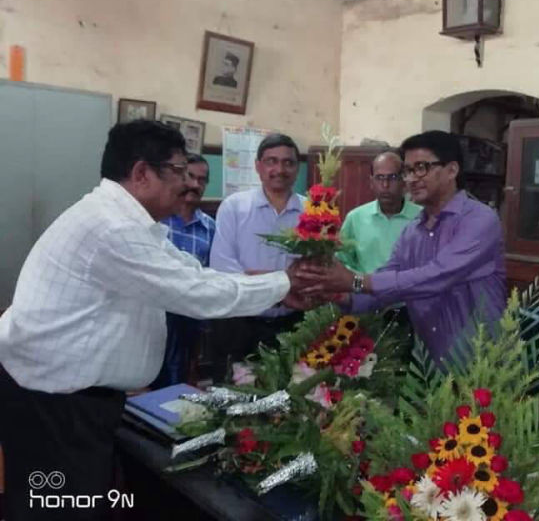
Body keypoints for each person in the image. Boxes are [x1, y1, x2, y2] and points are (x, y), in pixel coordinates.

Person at [0, 120, 308, 521]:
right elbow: (195, 292)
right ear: (142, 173)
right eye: (179, 171)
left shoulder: (131, 222)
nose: (188, 183)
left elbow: (194, 273)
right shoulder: (111, 228)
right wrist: (285, 283)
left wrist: (281, 286)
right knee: (58, 509)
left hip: (72, 397)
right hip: (54, 404)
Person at [300, 130, 506, 362]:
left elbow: (437, 276)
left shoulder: (479, 219)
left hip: (482, 362)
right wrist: (340, 294)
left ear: (451, 170)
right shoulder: (413, 229)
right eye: (408, 171)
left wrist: (355, 280)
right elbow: (388, 279)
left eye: (421, 168)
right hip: (430, 363)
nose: (411, 179)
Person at [209, 133, 306, 369]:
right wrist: (282, 285)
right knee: (234, 387)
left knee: (294, 386)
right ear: (258, 166)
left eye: (288, 162)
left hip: (294, 323)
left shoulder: (312, 211)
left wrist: (257, 277)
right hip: (240, 323)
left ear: (297, 169)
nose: (279, 169)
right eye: (271, 161)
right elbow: (223, 268)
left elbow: (317, 267)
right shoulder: (234, 206)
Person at [151, 153, 216, 388]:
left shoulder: (210, 227)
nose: (195, 185)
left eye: (202, 180)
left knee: (180, 381)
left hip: (189, 318)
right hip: (156, 314)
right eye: (190, 176)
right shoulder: (158, 221)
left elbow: (211, 275)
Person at [337, 150, 421, 274]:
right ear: (371, 182)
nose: (385, 185)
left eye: (392, 177)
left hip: (408, 285)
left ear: (404, 181)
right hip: (363, 285)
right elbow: (342, 263)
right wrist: (360, 284)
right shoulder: (355, 218)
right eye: (379, 178)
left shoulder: (422, 217)